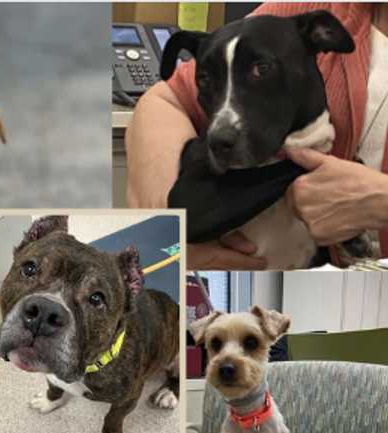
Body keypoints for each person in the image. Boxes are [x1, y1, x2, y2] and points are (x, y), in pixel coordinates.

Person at [126, 2, 388, 269]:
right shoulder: (314, 10)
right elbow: (162, 100)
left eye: (261, 71)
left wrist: (381, 198)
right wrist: (168, 229)